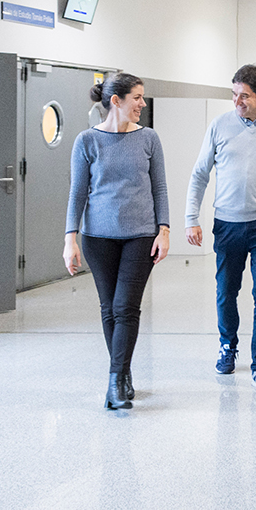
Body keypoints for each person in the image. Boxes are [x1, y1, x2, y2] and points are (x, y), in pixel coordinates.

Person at [185, 64, 256, 394]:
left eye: (245, 96)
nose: (237, 101)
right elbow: (199, 175)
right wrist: (190, 218)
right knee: (226, 292)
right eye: (234, 94)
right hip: (227, 224)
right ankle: (227, 345)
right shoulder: (219, 125)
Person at [63, 72, 171, 411]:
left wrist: (164, 230)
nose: (142, 104)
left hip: (140, 236)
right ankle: (122, 377)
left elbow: (160, 189)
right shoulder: (86, 141)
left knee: (126, 308)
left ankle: (114, 380)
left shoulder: (149, 139)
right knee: (109, 309)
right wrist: (70, 239)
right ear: (116, 101)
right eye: (136, 98)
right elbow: (77, 193)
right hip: (98, 238)